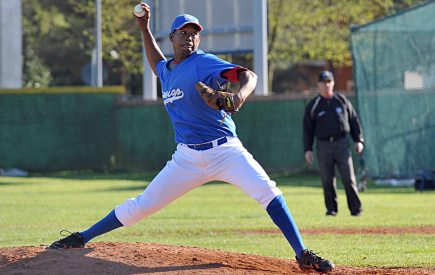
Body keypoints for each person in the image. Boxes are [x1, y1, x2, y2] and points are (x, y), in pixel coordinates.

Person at [49, 3, 334, 273]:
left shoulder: (203, 62)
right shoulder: (167, 71)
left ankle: (302, 253)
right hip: (187, 157)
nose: (189, 38)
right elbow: (156, 62)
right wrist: (144, 27)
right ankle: (82, 237)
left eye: (194, 33)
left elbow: (250, 75)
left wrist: (238, 96)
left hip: (225, 151)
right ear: (171, 38)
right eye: (183, 33)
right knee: (142, 206)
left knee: (268, 192)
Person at [303, 70, 364, 217]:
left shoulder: (341, 101)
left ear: (333, 83)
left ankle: (356, 209)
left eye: (329, 82)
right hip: (323, 146)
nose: (326, 85)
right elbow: (307, 129)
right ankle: (331, 209)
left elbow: (354, 120)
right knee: (327, 180)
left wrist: (358, 140)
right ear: (318, 85)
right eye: (323, 82)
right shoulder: (314, 105)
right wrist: (308, 149)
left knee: (349, 178)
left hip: (342, 144)